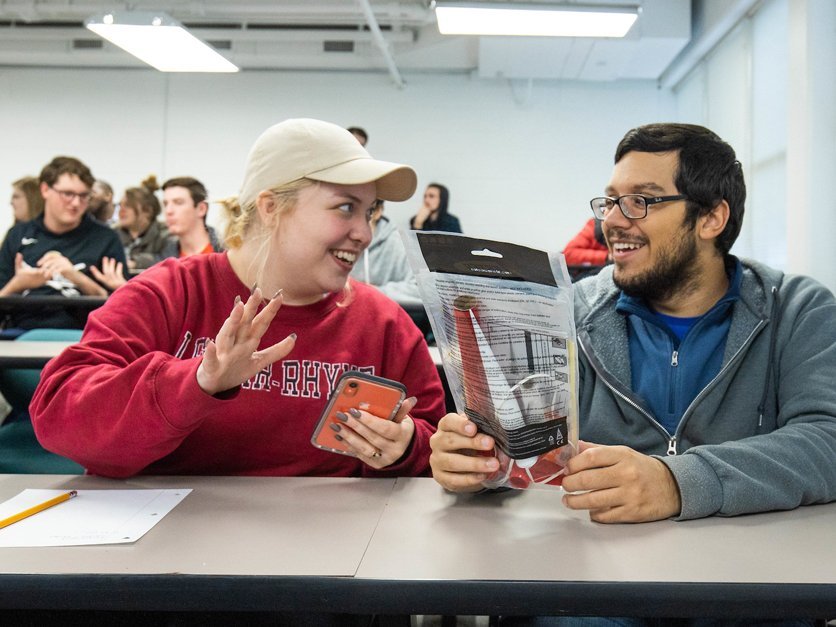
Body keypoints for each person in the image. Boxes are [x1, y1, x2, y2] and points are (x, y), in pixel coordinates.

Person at [430, 123, 836, 528]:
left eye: (640, 201)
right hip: (601, 569)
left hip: (756, 570)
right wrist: (477, 462)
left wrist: (678, 482)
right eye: (609, 202)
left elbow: (827, 441)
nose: (612, 222)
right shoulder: (572, 314)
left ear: (712, 218)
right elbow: (527, 453)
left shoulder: (798, 311)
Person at [31, 118, 446, 480]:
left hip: (325, 556)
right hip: (167, 551)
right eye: (344, 208)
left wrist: (407, 446)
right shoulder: (170, 294)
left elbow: (436, 446)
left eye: (369, 211)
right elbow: (58, 415)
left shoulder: (382, 323)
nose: (365, 233)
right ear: (270, 207)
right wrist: (197, 382)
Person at [0, 156, 127, 332]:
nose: (76, 203)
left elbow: (121, 312)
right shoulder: (18, 235)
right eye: (68, 194)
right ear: (45, 190)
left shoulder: (106, 239)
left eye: (84, 196)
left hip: (84, 336)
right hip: (21, 333)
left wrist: (76, 277)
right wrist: (17, 285)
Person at [350, 200, 421, 304]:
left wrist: (374, 292)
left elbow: (420, 290)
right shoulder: (338, 240)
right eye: (348, 209)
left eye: (367, 211)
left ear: (378, 211)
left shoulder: (397, 243)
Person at [159, 176, 224, 259]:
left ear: (201, 209)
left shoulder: (228, 252)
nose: (168, 211)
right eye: (165, 204)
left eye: (178, 203)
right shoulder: (163, 257)